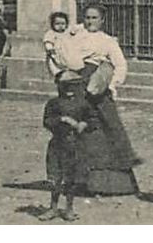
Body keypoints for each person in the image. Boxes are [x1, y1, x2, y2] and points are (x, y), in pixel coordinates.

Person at [66, 5, 141, 196]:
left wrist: (111, 84)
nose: (90, 21)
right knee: (77, 131)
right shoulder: (75, 37)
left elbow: (120, 65)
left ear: (102, 20)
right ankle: (79, 181)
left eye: (94, 18)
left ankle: (111, 184)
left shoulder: (108, 41)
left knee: (107, 130)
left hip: (97, 88)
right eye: (87, 17)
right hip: (77, 85)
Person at [40, 69, 94, 221]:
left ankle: (69, 208)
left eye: (73, 85)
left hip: (74, 144)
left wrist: (84, 124)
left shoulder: (83, 103)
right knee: (55, 178)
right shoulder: (53, 103)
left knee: (71, 179)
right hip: (57, 143)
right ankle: (53, 207)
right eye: (66, 85)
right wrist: (63, 120)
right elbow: (47, 121)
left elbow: (92, 119)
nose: (69, 89)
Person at [43, 10, 84, 79]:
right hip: (57, 54)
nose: (60, 26)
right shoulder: (51, 33)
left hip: (68, 52)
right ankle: (59, 74)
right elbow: (48, 41)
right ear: (52, 24)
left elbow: (77, 28)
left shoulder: (67, 31)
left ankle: (74, 70)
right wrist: (50, 48)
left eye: (63, 24)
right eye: (57, 24)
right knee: (55, 64)